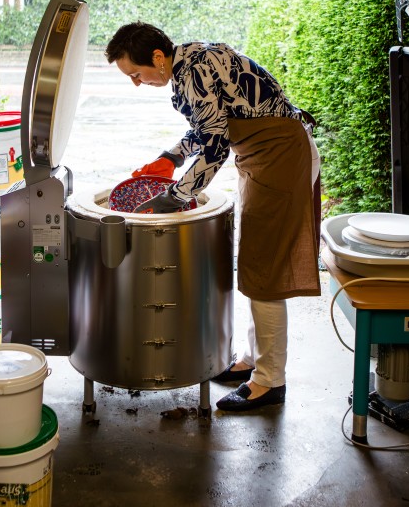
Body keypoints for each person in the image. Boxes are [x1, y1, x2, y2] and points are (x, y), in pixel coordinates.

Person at [105, 22, 321, 413]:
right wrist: (170, 157)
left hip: (281, 158)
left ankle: (270, 381)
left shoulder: (195, 68)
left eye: (136, 74)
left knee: (266, 273)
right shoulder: (190, 63)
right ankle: (254, 361)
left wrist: (176, 196)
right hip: (263, 158)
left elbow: (216, 144)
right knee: (256, 265)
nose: (137, 83)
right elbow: (208, 127)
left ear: (157, 57)